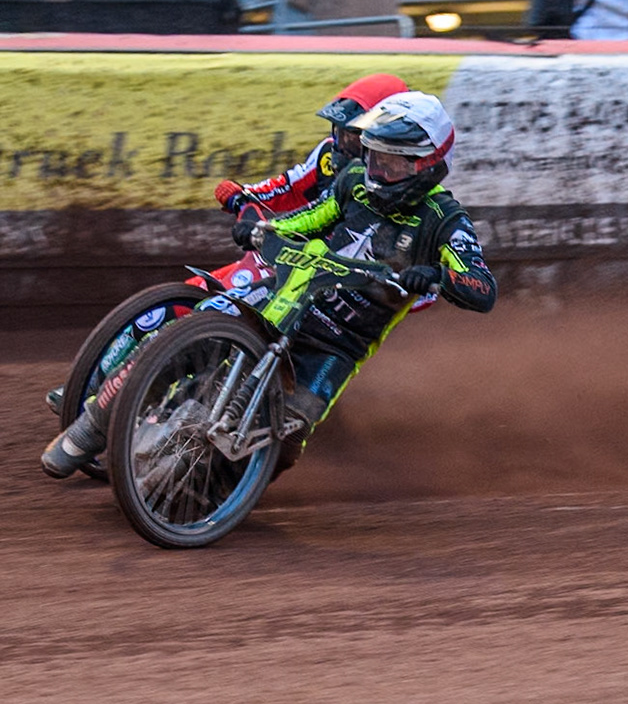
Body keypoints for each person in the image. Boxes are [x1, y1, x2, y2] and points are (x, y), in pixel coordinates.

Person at [42, 92, 498, 479]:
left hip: (338, 344)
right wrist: (266, 228)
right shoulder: (354, 182)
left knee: (289, 436)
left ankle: (213, 493)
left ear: (429, 165)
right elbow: (310, 219)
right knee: (185, 333)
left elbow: (482, 287)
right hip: (284, 298)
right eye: (374, 157)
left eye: (393, 164)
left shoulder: (446, 222)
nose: (378, 171)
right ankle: (90, 428)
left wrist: (437, 275)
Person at [212, 73, 410, 217]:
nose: (344, 143)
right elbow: (291, 188)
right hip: (317, 253)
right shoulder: (327, 153)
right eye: (342, 133)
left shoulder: (405, 172)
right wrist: (245, 195)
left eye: (354, 136)